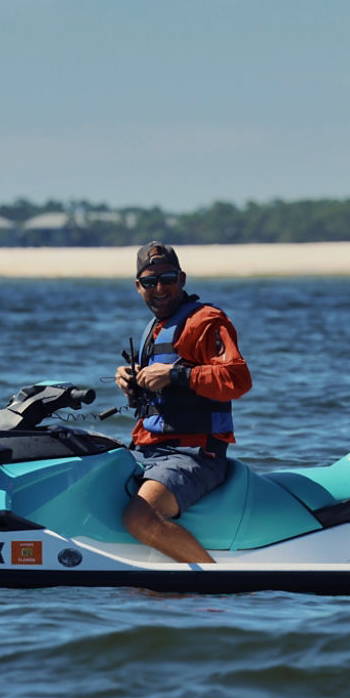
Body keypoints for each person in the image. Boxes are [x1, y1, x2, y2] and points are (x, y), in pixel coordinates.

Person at [115, 241, 253, 563]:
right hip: (147, 449)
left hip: (194, 455)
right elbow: (160, 394)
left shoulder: (206, 321)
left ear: (183, 279)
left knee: (137, 518)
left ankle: (214, 580)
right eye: (150, 282)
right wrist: (133, 383)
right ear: (138, 287)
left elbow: (238, 379)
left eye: (168, 279)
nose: (159, 288)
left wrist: (177, 375)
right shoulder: (155, 328)